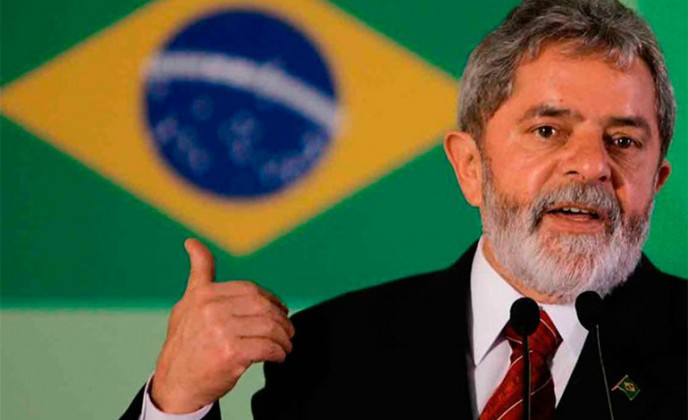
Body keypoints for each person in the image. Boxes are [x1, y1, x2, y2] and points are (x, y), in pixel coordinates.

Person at [122, 0, 687, 418]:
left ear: (657, 182)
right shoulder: (330, 353)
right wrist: (177, 401)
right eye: (548, 130)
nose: (591, 165)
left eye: (624, 141)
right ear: (470, 166)